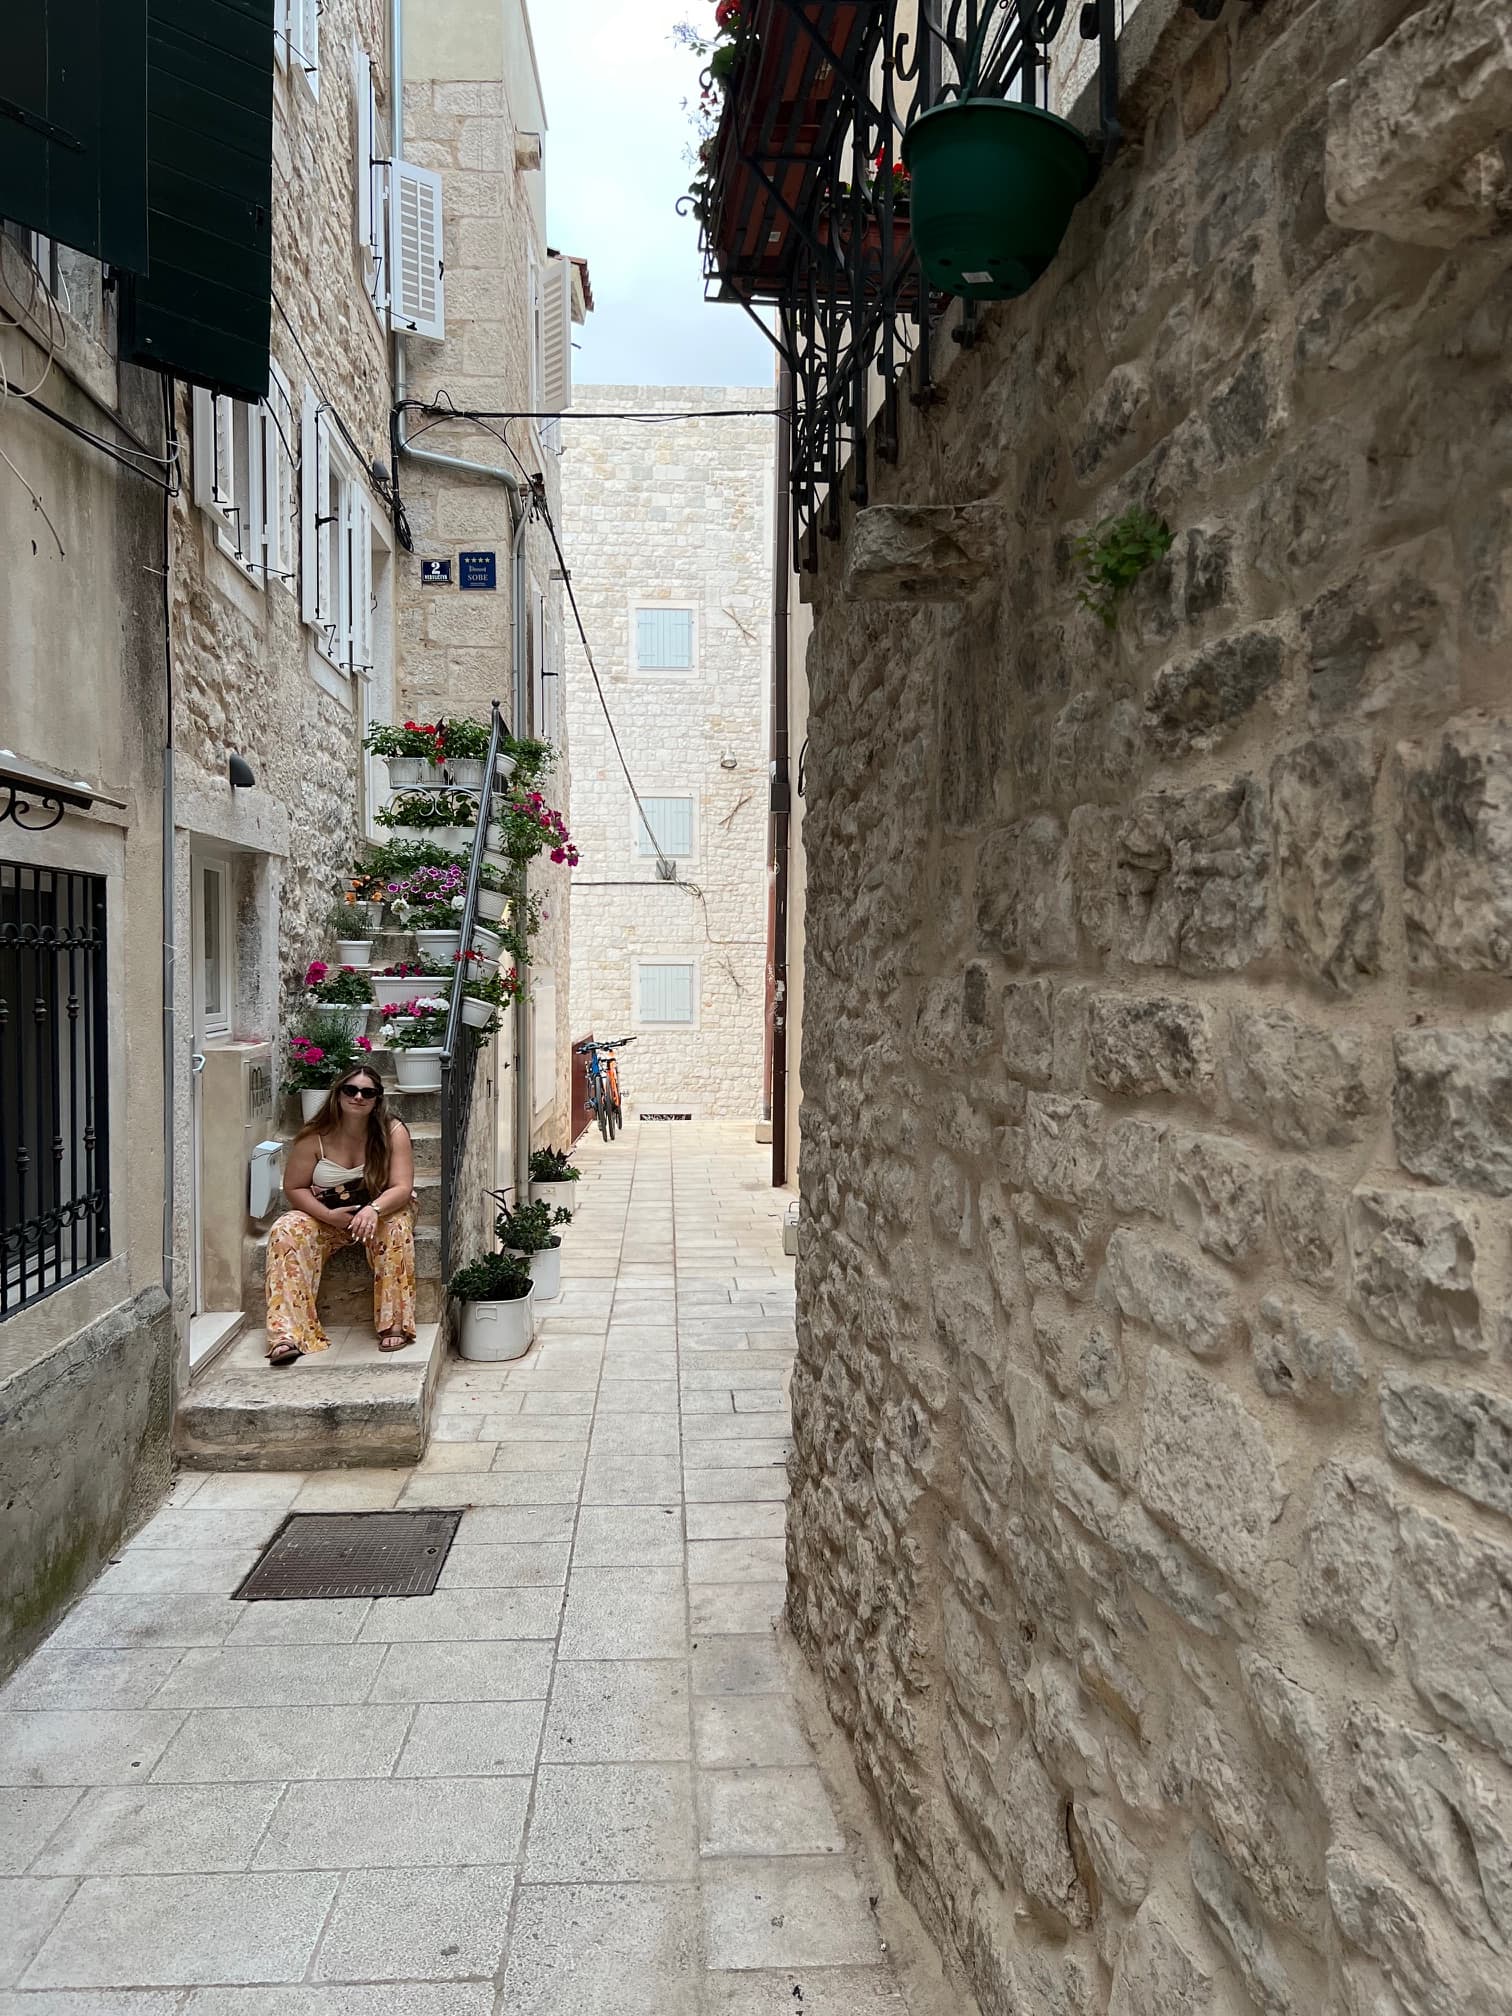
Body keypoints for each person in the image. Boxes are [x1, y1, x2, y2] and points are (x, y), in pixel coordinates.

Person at [265, 1062, 416, 1364]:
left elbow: (401, 1187)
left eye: (367, 1092)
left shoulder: (392, 1131)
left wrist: (373, 1210)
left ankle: (393, 1324)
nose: (358, 1097)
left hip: (382, 1210)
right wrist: (328, 1216)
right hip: (329, 1216)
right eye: (351, 1090)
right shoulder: (315, 1136)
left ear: (377, 1100)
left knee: (396, 1228)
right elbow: (294, 1188)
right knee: (285, 1229)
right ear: (338, 1093)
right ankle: (287, 1334)